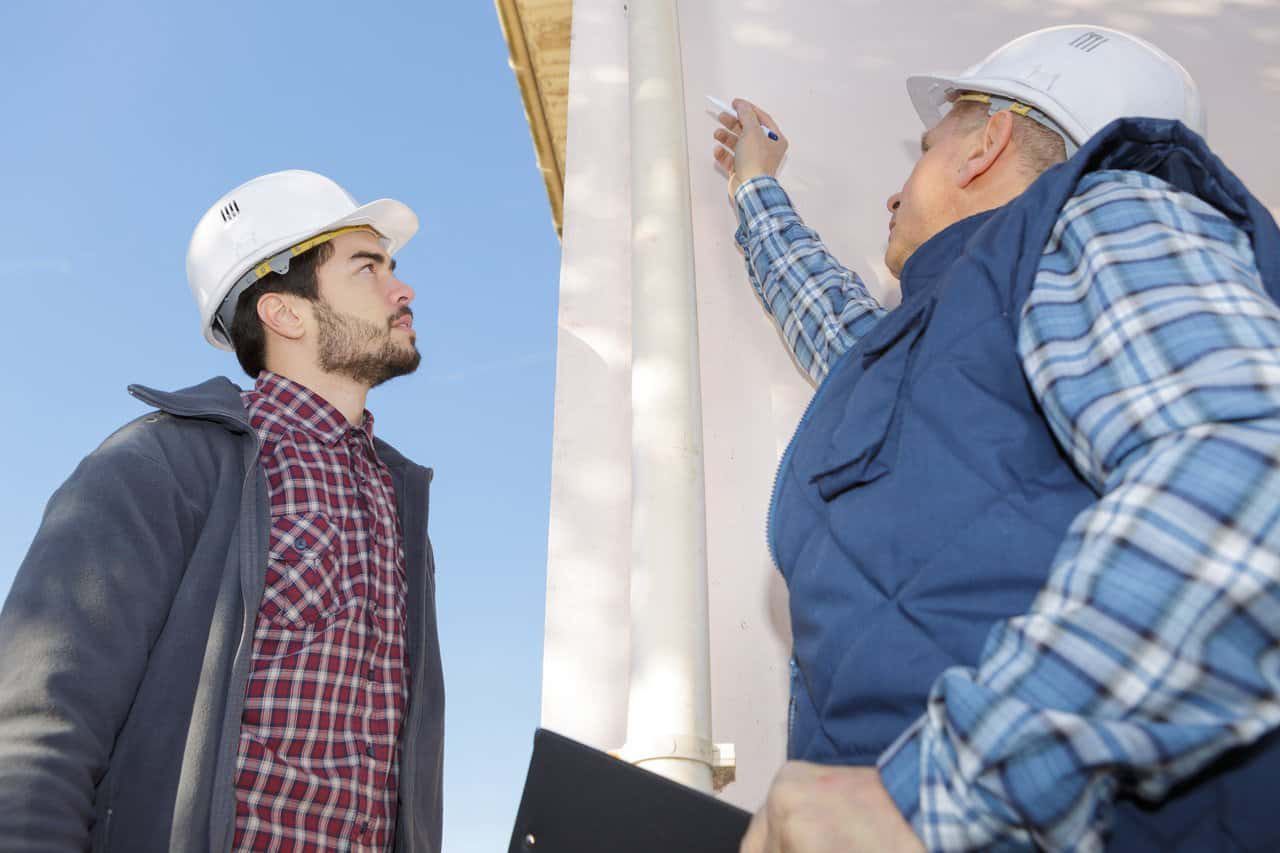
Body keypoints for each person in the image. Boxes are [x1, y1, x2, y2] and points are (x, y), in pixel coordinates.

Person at [711, 25, 1280, 852]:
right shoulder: (934, 346)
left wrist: (932, 798)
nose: (892, 196)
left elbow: (1250, 484)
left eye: (925, 146)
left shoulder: (1105, 215)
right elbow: (831, 318)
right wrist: (754, 187)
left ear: (987, 143)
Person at [0, 170, 445, 852]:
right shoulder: (158, 465)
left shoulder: (397, 500)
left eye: (393, 267)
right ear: (285, 312)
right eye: (367, 268)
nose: (401, 288)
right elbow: (37, 731)